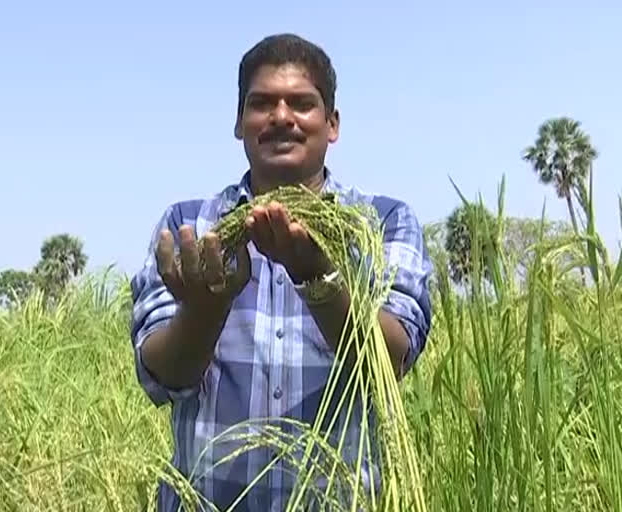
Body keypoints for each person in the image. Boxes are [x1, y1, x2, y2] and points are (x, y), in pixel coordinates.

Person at [130, 33, 433, 512]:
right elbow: (162, 375)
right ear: (238, 123)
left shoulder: (383, 223)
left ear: (332, 125)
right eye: (262, 103)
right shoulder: (190, 228)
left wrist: (317, 277)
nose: (281, 117)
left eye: (302, 104)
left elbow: (388, 363)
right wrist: (206, 308)